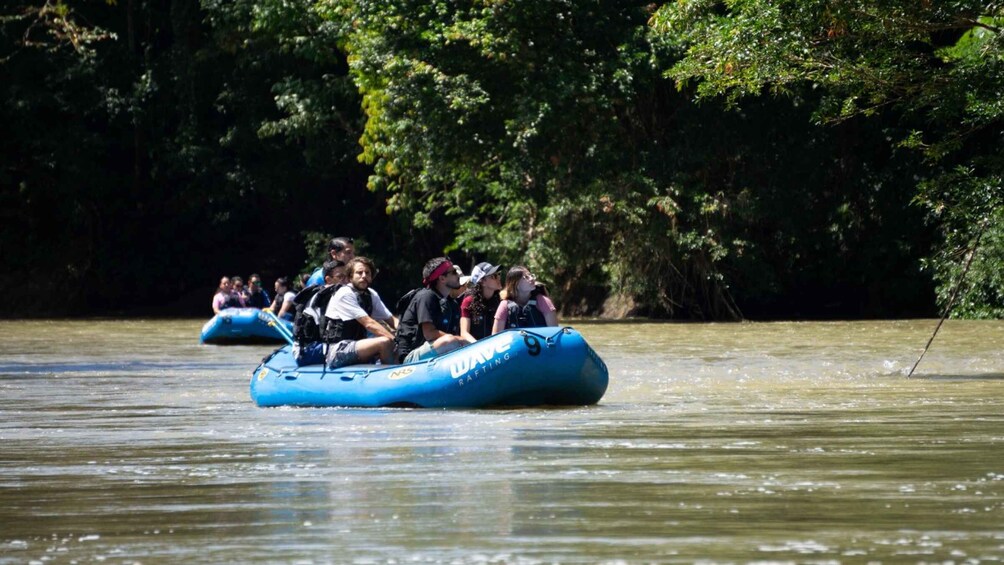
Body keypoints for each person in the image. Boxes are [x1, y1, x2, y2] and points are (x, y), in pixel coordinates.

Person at [322, 257, 397, 368]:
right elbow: (369, 323)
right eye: (359, 273)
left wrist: (405, 333)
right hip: (337, 351)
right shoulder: (344, 294)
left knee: (394, 339)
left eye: (367, 273)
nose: (364, 276)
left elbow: (392, 320)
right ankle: (393, 374)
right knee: (384, 342)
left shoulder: (371, 294)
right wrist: (395, 341)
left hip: (358, 346)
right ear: (350, 277)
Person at [394, 257, 469, 363]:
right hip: (410, 357)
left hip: (436, 352)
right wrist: (460, 339)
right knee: (450, 341)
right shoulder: (426, 296)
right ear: (442, 279)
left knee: (455, 341)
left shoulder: (452, 304)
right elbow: (429, 333)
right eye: (453, 272)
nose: (458, 275)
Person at [292, 260, 346, 366]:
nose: (346, 281)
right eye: (340, 277)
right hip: (308, 351)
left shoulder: (342, 293)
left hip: (320, 346)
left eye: (347, 276)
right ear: (328, 280)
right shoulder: (326, 297)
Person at [491, 266, 558, 333]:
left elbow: (554, 333)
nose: (532, 279)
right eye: (526, 277)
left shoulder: (543, 301)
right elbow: (495, 336)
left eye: (531, 275)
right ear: (515, 283)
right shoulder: (504, 305)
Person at [459, 262, 502, 342]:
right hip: (475, 349)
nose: (498, 278)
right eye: (494, 276)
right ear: (482, 282)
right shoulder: (468, 302)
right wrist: (480, 347)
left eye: (498, 274)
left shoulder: (500, 301)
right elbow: (464, 333)